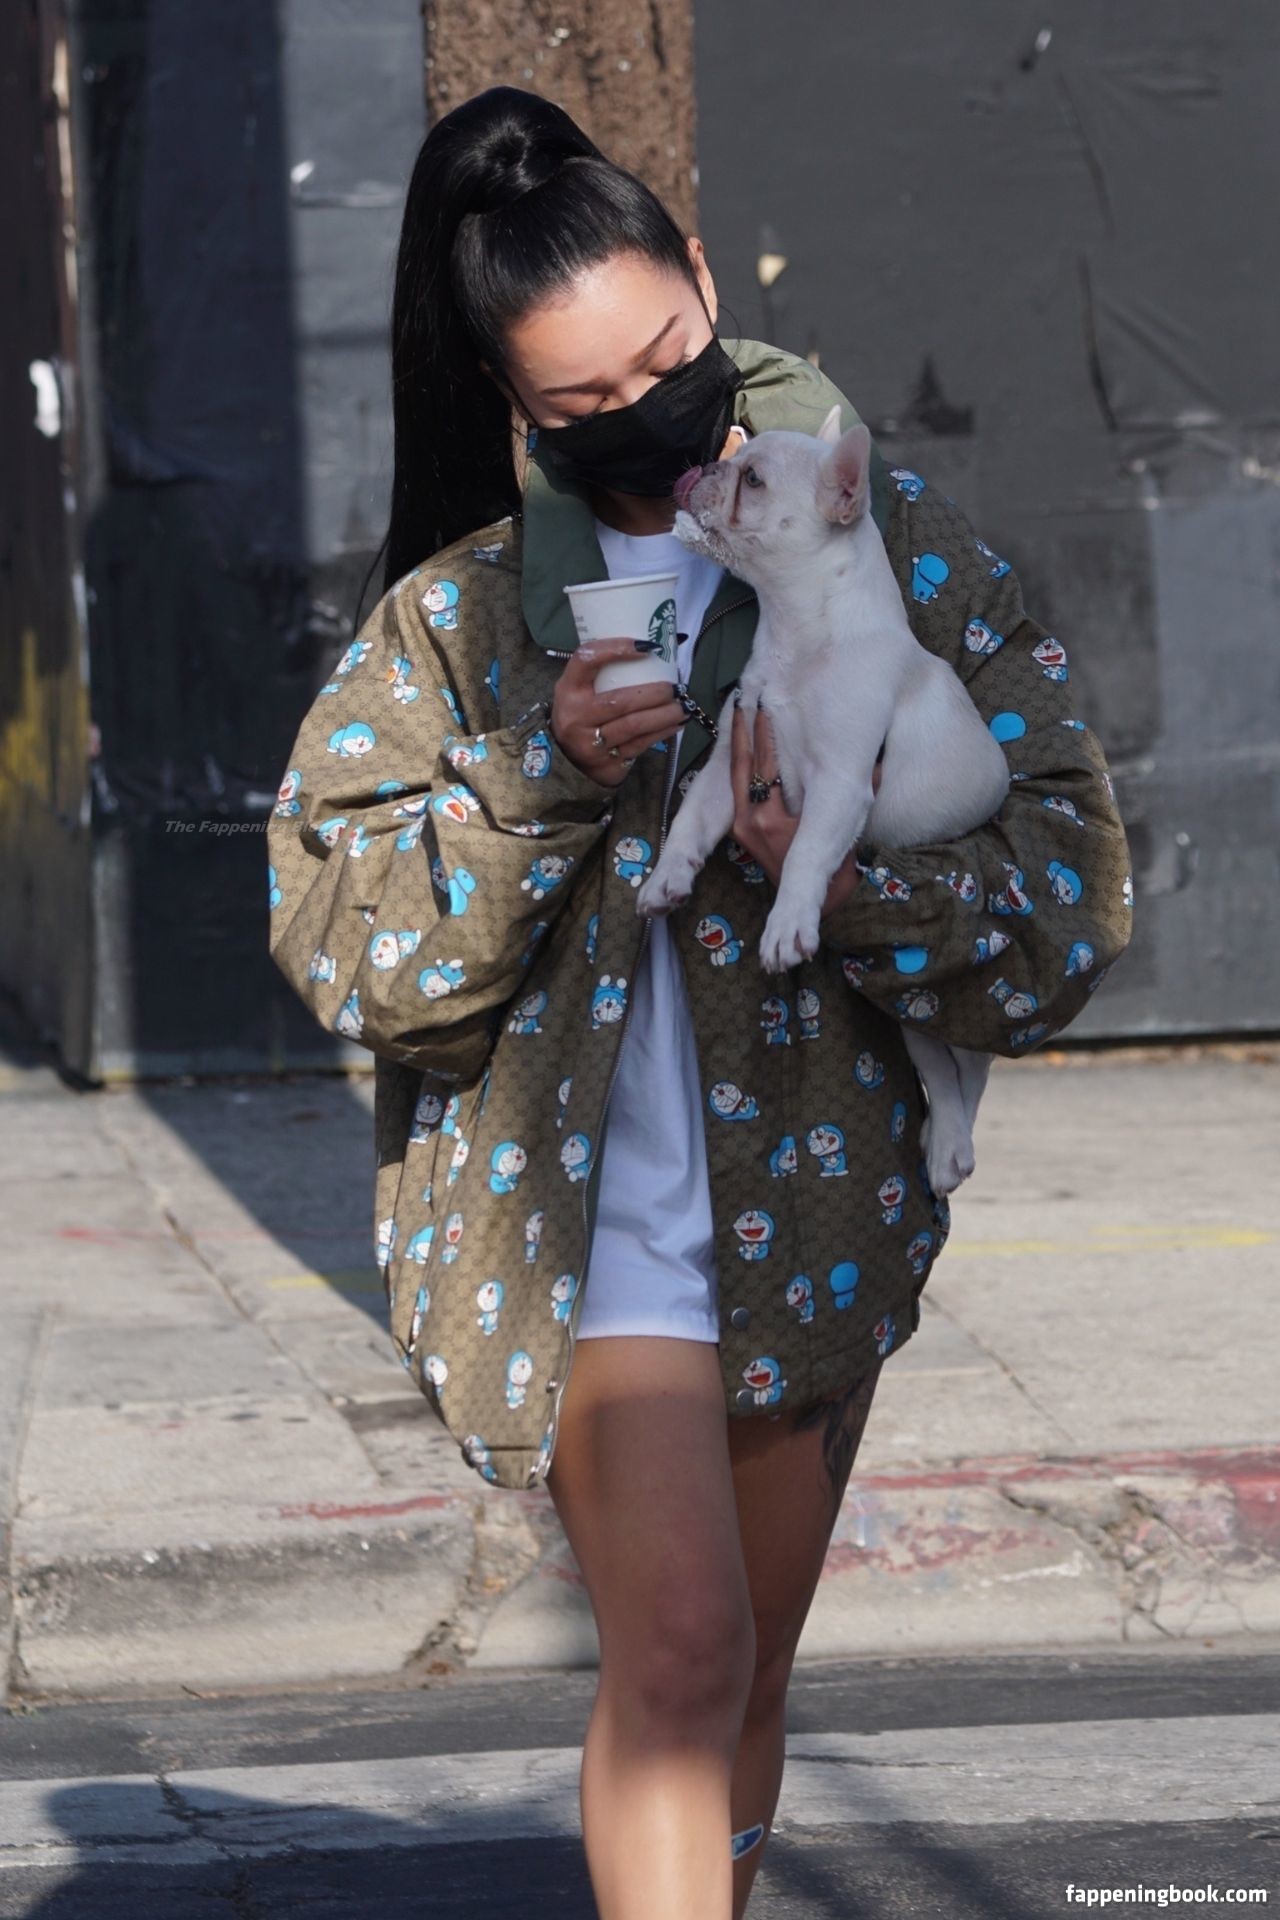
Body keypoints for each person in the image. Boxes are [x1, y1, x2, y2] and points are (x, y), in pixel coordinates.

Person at [267, 86, 1133, 1920]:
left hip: (812, 1199)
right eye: (585, 402)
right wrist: (541, 773)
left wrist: (850, 879)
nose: (648, 421)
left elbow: (1070, 888)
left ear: (712, 284)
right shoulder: (460, 619)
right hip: (574, 1221)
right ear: (512, 405)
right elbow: (341, 933)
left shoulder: (904, 553)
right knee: (676, 1655)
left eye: (667, 359)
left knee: (746, 1675)